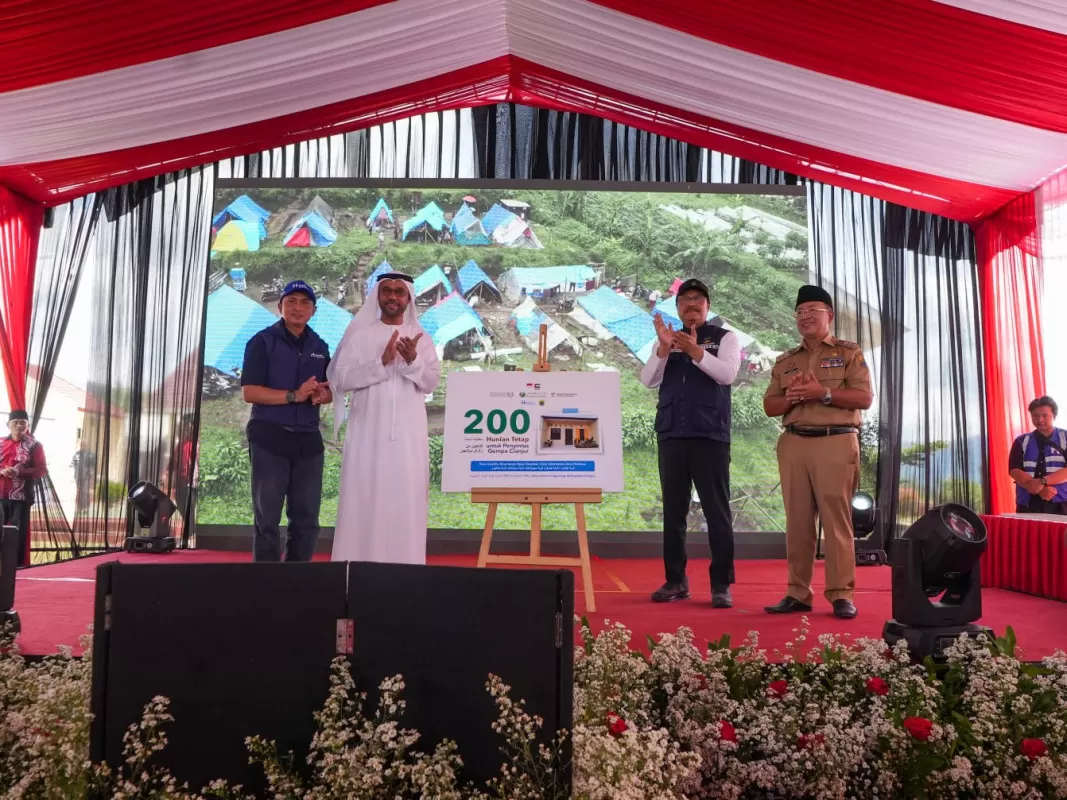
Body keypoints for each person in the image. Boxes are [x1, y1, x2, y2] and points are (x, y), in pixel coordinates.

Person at [762, 285, 873, 619]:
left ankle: (841, 594)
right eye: (799, 312)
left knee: (836, 521)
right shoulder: (786, 361)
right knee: (797, 523)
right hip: (794, 441)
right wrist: (794, 398)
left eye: (812, 310)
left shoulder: (849, 353)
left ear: (829, 315)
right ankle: (798, 593)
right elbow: (770, 404)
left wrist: (822, 393)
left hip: (836, 441)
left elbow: (864, 398)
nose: (804, 316)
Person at [640, 278, 740, 607]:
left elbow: (727, 375)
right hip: (671, 435)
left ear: (708, 306)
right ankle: (675, 580)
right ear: (678, 307)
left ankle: (721, 584)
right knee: (673, 512)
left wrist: (697, 352)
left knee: (717, 512)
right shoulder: (668, 338)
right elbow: (647, 381)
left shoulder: (725, 338)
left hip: (709, 436)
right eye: (685, 300)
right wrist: (664, 349)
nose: (692, 304)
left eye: (698, 299)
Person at [327, 273, 440, 564]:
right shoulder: (360, 335)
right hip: (367, 433)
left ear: (409, 298)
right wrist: (381, 362)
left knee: (406, 502)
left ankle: (406, 574)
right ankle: (357, 575)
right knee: (363, 499)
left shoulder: (422, 338)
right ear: (377, 296)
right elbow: (340, 379)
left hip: (408, 438)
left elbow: (430, 383)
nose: (392, 297)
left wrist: (412, 360)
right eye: (387, 291)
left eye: (399, 292)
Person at [241, 280, 332, 562]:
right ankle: (267, 585)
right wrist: (295, 395)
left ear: (313, 311)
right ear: (280, 306)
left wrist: (321, 395)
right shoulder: (261, 342)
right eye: (291, 301)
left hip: (308, 441)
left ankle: (298, 582)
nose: (297, 308)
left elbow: (328, 390)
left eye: (305, 303)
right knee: (267, 520)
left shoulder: (320, 345)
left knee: (306, 519)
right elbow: (250, 392)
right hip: (270, 438)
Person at [0, 410, 47, 566]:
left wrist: (19, 471)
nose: (19, 426)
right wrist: (2, 471)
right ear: (8, 425)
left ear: (28, 426)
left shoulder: (35, 445)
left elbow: (41, 469)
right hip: (0, 495)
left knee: (16, 533)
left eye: (23, 423)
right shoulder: (0, 442)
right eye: (15, 422)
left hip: (21, 497)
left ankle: (16, 568)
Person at [1009, 395, 1067, 514]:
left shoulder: (1065, 437)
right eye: (1035, 416)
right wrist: (1039, 490)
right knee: (1027, 533)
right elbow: (1014, 470)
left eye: (1045, 415)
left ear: (1054, 416)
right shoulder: (1021, 441)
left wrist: (1042, 482)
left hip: (1062, 502)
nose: (1040, 419)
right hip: (1027, 503)